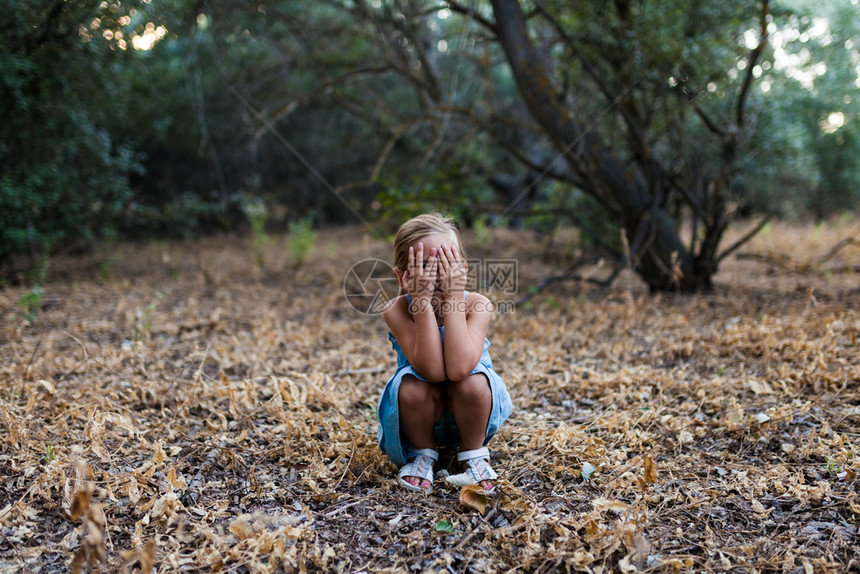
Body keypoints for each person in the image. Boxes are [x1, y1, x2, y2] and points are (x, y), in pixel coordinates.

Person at [377, 212, 512, 493]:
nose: (436, 276)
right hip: (422, 418)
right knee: (412, 387)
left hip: (471, 415)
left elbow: (460, 368)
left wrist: (453, 300)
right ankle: (422, 453)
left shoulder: (477, 304)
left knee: (474, 382)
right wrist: (423, 305)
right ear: (403, 277)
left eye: (446, 266)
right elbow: (432, 371)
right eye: (424, 266)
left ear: (462, 270)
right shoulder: (397, 310)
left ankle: (473, 455)